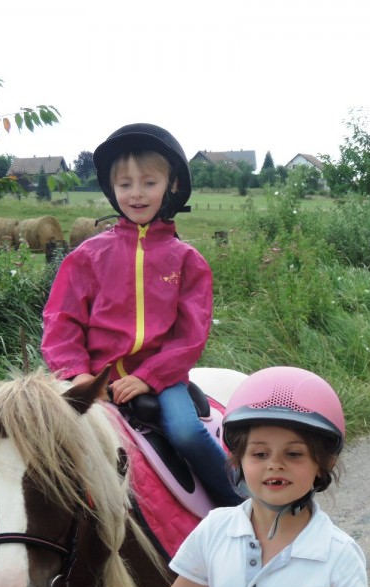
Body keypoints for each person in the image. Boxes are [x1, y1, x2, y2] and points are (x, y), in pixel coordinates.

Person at [59, 366, 370, 587]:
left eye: (294, 454)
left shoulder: (336, 552)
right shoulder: (216, 530)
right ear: (237, 460)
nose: (275, 465)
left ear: (322, 464)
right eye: (259, 454)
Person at [41, 123, 243, 507]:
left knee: (185, 432)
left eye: (149, 183)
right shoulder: (85, 258)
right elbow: (61, 323)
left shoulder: (187, 261)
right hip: (93, 377)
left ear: (172, 186)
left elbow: (190, 336)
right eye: (125, 184)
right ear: (112, 189)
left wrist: (148, 377)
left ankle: (241, 505)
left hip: (162, 380)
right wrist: (79, 375)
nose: (136, 193)